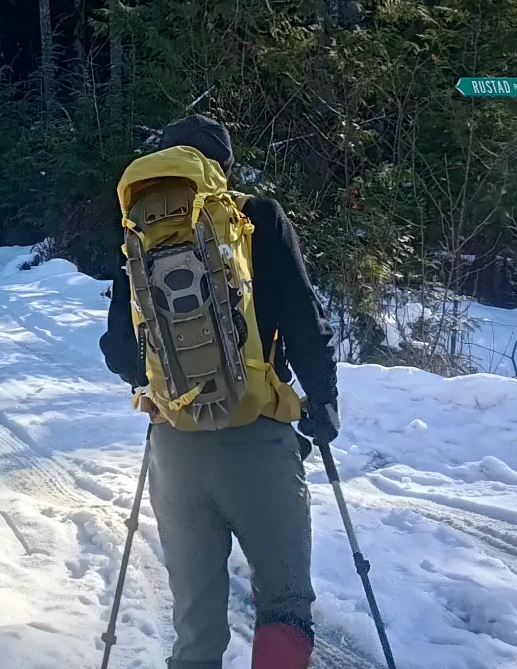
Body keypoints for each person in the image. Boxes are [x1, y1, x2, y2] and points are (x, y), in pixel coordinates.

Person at [99, 114, 341, 669]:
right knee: (284, 603)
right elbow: (306, 319)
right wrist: (322, 402)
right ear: (222, 168)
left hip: (175, 452)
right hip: (256, 442)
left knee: (196, 624)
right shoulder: (254, 218)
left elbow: (120, 350)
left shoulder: (139, 229)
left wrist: (164, 379)